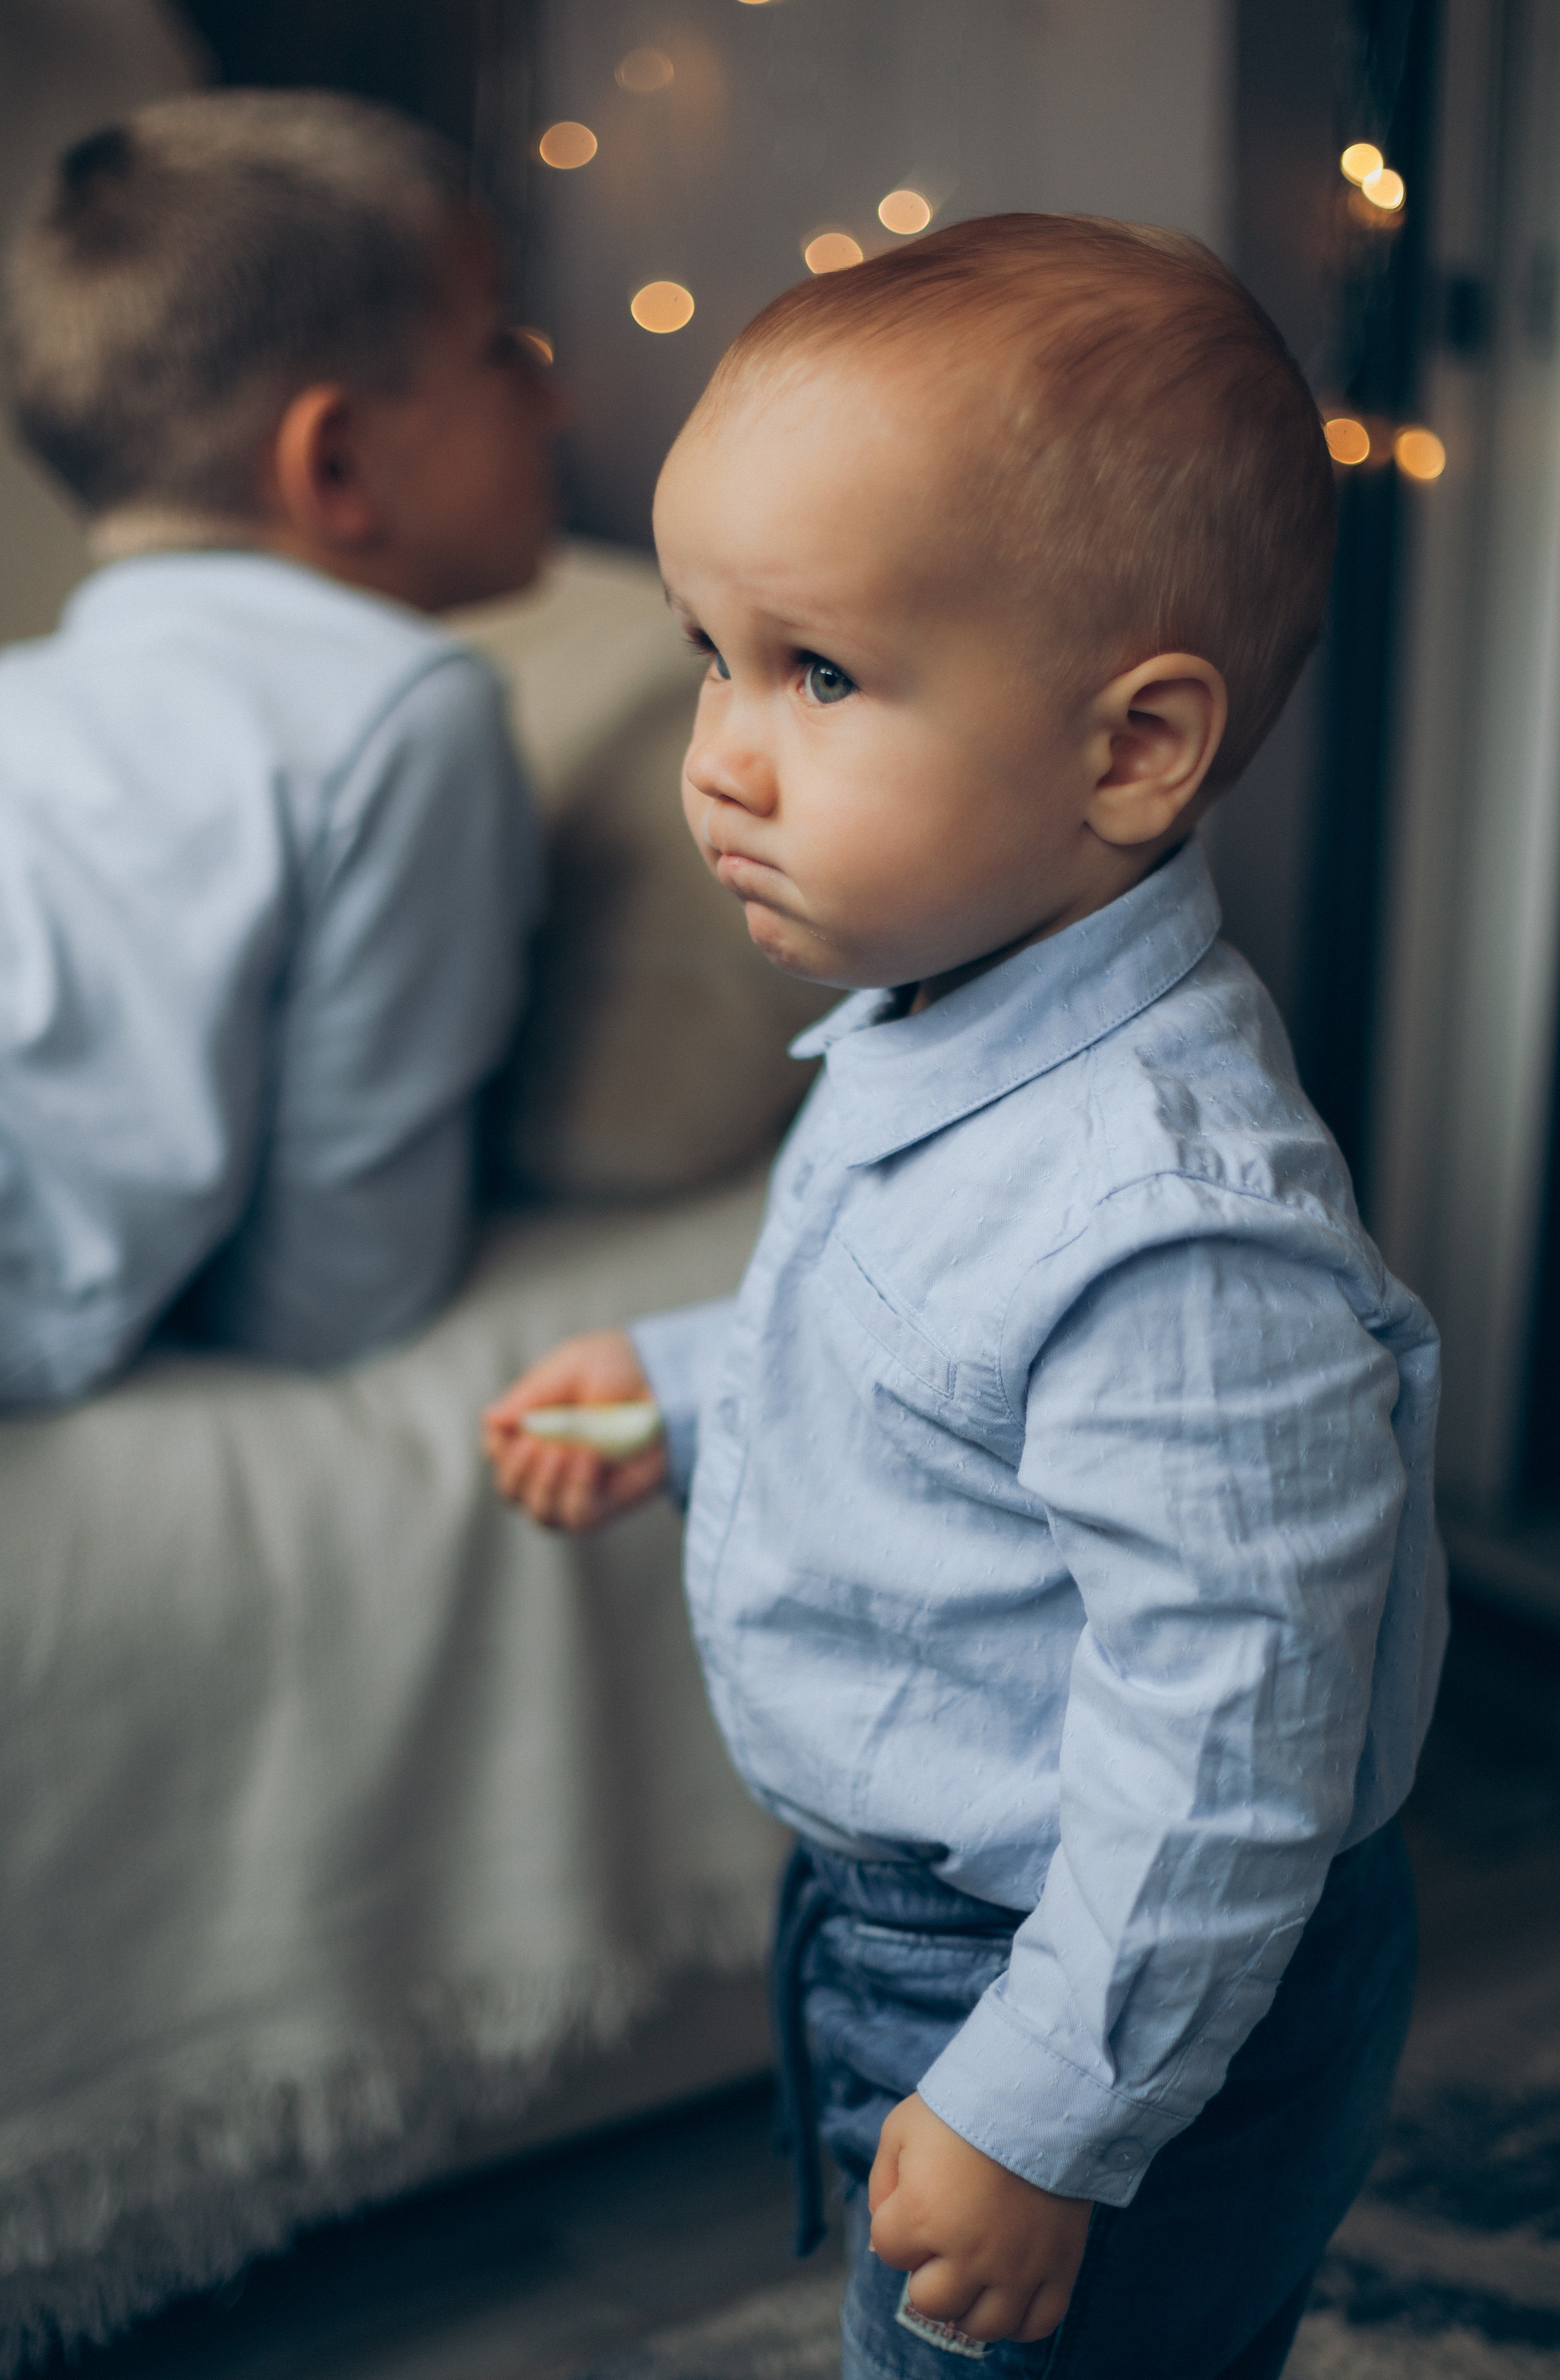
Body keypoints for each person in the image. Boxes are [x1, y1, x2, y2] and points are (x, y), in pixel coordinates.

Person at [482, 215, 1447, 2380]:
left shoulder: (1169, 1228)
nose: (721, 752)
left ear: (1133, 750)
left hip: (1110, 1976)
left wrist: (1045, 2115)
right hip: (930, 1926)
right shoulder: (950, 1011)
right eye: (708, 654)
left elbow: (1234, 1740)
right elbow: (906, 1356)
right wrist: (681, 1389)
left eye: (815, 673)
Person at [0, 90, 557, 1408]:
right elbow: (340, 1290)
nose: (559, 396)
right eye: (505, 349)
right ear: (336, 464)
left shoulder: (16, 703)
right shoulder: (409, 709)